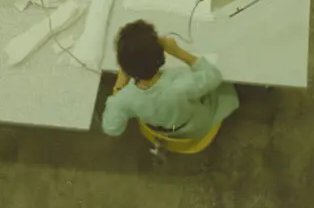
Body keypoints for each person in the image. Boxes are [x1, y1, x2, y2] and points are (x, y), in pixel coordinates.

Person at [101, 21, 239, 142]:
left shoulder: (125, 98)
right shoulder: (180, 82)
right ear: (160, 55)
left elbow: (111, 128)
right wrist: (178, 52)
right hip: (193, 127)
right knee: (226, 87)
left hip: (160, 131)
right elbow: (214, 76)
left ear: (124, 67)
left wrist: (118, 87)